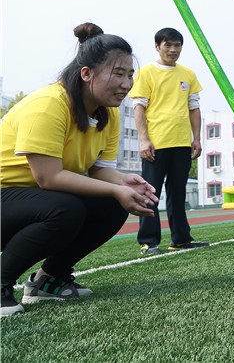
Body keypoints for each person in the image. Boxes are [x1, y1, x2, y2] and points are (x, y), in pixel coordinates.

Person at [1, 24, 158, 317]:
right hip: (7, 196)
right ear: (87, 74)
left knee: (111, 206)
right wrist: (116, 188)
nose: (127, 84)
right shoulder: (49, 105)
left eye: (130, 74)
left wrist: (124, 182)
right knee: (65, 208)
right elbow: (48, 177)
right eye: (118, 73)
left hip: (31, 199)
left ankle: (48, 281)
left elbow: (99, 171)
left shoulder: (107, 113)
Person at [132, 27, 207, 255]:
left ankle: (181, 239)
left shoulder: (188, 74)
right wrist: (144, 140)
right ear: (157, 46)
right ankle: (148, 241)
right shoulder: (146, 73)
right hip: (156, 144)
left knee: (178, 192)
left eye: (177, 45)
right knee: (150, 193)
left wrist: (197, 139)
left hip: (182, 142)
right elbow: (139, 108)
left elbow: (194, 108)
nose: (173, 50)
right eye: (168, 45)